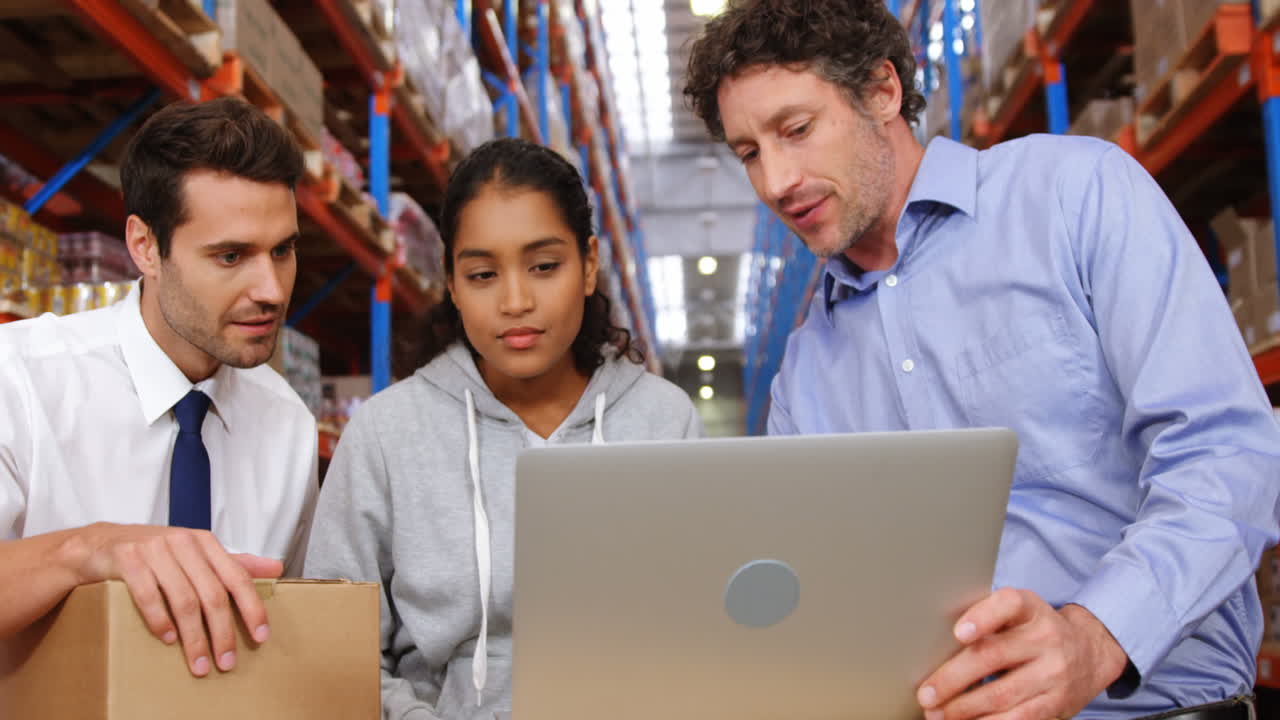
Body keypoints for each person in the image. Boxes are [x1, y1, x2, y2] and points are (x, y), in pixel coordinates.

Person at [683, 1, 1280, 719]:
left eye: (797, 130)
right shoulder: (806, 378)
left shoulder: (1073, 196)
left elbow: (1226, 449)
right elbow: (820, 599)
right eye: (750, 152)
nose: (777, 180)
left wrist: (1096, 638)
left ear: (881, 91)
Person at [304, 138, 702, 720]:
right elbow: (335, 644)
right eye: (484, 273)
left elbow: (699, 627)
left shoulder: (664, 420)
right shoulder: (387, 434)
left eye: (544, 267)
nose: (516, 301)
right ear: (452, 282)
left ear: (589, 264)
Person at [0, 97, 318, 680]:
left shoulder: (288, 426)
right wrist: (84, 551)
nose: (272, 289)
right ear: (145, 247)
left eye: (284, 250)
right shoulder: (20, 380)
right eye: (231, 255)